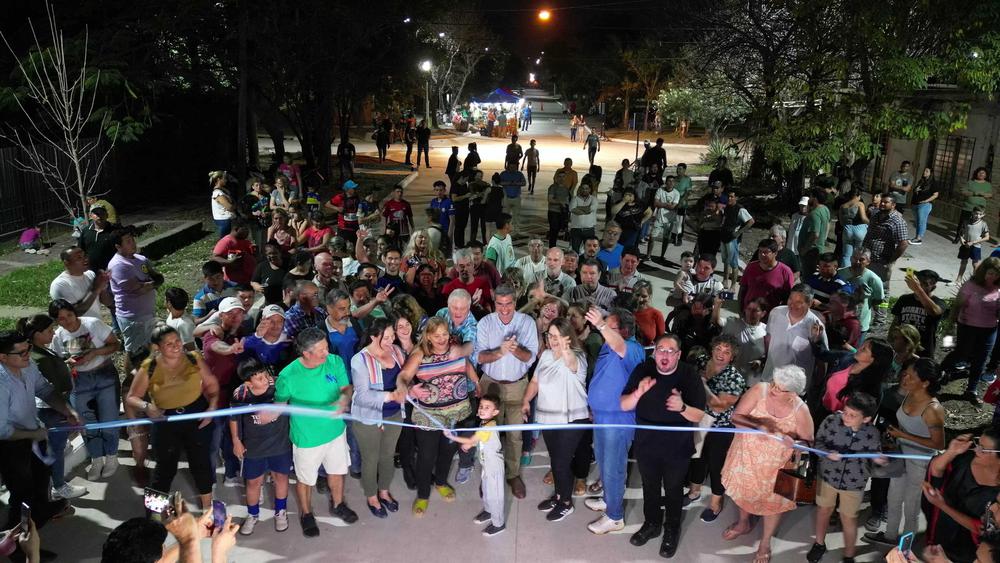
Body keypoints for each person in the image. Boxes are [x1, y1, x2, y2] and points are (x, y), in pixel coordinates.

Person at [620, 333, 707, 558]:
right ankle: (652, 523)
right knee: (649, 486)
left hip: (677, 447)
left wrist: (682, 407)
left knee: (673, 489)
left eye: (670, 351)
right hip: (646, 444)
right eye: (660, 350)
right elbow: (624, 404)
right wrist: (638, 392)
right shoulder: (643, 370)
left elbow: (699, 415)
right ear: (654, 352)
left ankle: (671, 529)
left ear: (678, 354)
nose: (664, 355)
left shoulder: (689, 375)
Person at [720, 366, 814, 563]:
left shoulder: (801, 410)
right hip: (746, 456)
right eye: (774, 384)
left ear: (793, 394)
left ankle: (765, 543)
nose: (773, 389)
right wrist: (758, 425)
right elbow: (735, 417)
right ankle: (743, 523)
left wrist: (796, 443)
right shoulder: (760, 390)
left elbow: (808, 445)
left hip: (777, 469)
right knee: (743, 492)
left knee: (773, 505)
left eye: (780, 389)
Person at [274, 327, 357, 537]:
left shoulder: (334, 361)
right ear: (306, 353)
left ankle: (338, 504)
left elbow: (346, 388)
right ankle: (306, 513)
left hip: (336, 431)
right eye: (321, 350)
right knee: (306, 479)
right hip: (307, 438)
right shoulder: (288, 376)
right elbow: (280, 405)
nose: (327, 353)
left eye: (326, 347)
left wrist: (344, 399)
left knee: (337, 471)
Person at [125, 325, 219, 509]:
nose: (176, 346)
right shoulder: (149, 366)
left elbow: (211, 384)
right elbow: (131, 397)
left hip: (196, 416)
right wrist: (147, 407)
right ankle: (154, 515)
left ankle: (208, 510)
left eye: (177, 341)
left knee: (201, 464)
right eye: (169, 344)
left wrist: (212, 408)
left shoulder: (193, 358)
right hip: (165, 419)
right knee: (164, 469)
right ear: (157, 348)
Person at [398, 317, 479, 515]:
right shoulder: (420, 353)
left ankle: (441, 482)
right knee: (426, 456)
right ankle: (423, 495)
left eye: (444, 334)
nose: (442, 339)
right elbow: (404, 376)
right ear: (428, 336)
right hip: (429, 416)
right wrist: (407, 388)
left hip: (455, 414)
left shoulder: (455, 348)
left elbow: (467, 365)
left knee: (447, 452)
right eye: (436, 336)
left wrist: (477, 382)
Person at [861, 357, 945, 549]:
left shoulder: (932, 409)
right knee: (894, 498)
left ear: (925, 383)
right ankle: (890, 536)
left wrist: (903, 435)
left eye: (911, 377)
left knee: (911, 506)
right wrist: (895, 436)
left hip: (920, 462)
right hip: (900, 455)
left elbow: (938, 443)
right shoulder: (909, 394)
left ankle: (905, 547)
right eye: (905, 374)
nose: (904, 379)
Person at [474, 284, 539, 499]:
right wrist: (500, 351)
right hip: (490, 384)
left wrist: (514, 348)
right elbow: (479, 357)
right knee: (488, 434)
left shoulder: (527, 322)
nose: (504, 309)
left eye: (508, 304)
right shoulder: (485, 323)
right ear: (494, 302)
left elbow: (530, 357)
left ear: (515, 302)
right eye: (500, 304)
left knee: (514, 435)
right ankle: (488, 474)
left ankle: (512, 475)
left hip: (517, 386)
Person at [521, 318, 589, 522]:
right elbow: (535, 381)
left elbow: (572, 364)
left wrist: (566, 349)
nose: (553, 340)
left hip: (571, 420)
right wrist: (526, 400)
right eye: (550, 335)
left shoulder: (578, 356)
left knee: (561, 462)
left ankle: (566, 504)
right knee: (556, 459)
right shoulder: (546, 356)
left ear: (568, 337)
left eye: (558, 336)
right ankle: (559, 495)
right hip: (548, 418)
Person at [15, 315, 87, 501]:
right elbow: (48, 388)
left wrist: (64, 364)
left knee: (56, 447)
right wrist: (67, 410)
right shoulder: (37, 359)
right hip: (51, 409)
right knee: (56, 450)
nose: (54, 333)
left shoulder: (40, 351)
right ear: (37, 334)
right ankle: (59, 487)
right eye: (49, 330)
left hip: (54, 406)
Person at [48, 299, 121, 480]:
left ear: (75, 313)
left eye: (69, 315)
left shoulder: (92, 324)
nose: (67, 321)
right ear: (56, 321)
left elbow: (115, 344)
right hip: (80, 382)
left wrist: (95, 352)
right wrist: (69, 362)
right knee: (86, 424)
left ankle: (112, 457)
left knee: (109, 420)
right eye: (61, 319)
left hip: (104, 376)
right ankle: (96, 459)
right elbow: (59, 360)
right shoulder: (59, 336)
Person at [808, 392, 883, 563]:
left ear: (866, 419)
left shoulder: (872, 433)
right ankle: (819, 544)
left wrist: (879, 460)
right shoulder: (831, 421)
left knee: (849, 518)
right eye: (845, 412)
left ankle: (849, 555)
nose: (846, 417)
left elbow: (874, 457)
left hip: (854, 483)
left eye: (852, 415)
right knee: (823, 511)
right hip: (827, 477)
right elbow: (817, 443)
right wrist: (827, 453)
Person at [684, 335, 748, 523]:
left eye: (727, 352)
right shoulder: (702, 362)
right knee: (697, 458)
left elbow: (719, 406)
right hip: (697, 420)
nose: (721, 354)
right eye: (718, 349)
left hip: (720, 427)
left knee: (716, 465)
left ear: (732, 357)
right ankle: (694, 492)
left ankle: (715, 503)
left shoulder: (735, 378)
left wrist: (701, 384)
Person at [229, 358, 292, 535]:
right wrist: (236, 441)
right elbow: (234, 418)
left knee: (281, 477)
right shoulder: (240, 394)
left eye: (265, 375)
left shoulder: (278, 386)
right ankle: (253, 514)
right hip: (253, 446)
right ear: (248, 383)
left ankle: (281, 512)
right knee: (253, 482)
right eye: (259, 378)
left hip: (280, 443)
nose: (265, 380)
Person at [350, 318, 405, 519]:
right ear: (373, 337)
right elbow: (362, 396)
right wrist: (390, 396)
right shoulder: (360, 360)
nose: (391, 341)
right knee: (371, 459)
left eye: (393, 336)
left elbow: (404, 377)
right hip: (368, 418)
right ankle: (372, 496)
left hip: (394, 414)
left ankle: (384, 491)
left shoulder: (396, 351)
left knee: (387, 455)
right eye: (386, 337)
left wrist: (408, 389)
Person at [922, 431, 1000, 563]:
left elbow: (982, 528)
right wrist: (951, 452)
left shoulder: (986, 552)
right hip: (942, 528)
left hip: (965, 548)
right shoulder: (966, 458)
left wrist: (942, 505)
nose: (976, 449)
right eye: (977, 443)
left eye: (983, 449)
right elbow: (936, 471)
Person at [444, 394, 507, 536]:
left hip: (494, 466)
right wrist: (470, 444)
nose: (482, 409)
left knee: (495, 495)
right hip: (486, 464)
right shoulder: (484, 423)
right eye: (481, 406)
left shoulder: (488, 427)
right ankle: (489, 511)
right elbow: (479, 440)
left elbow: (472, 439)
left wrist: (452, 437)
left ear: (495, 412)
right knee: (486, 490)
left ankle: (498, 524)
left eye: (487, 407)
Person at [948, 258, 1000, 404]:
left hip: (989, 329)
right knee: (961, 354)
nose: (993, 277)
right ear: (983, 272)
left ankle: (971, 389)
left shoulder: (998, 288)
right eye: (990, 273)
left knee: (981, 359)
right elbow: (957, 305)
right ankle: (944, 373)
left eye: (997, 275)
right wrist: (950, 325)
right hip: (967, 326)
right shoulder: (971, 285)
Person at [108, 227, 163, 356]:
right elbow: (138, 289)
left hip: (147, 312)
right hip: (132, 316)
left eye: (132, 239)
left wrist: (151, 283)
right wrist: (153, 283)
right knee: (133, 352)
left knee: (148, 346)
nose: (133, 243)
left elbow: (157, 277)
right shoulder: (118, 265)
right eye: (128, 241)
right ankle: (131, 370)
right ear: (118, 246)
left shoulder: (140, 259)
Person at [762, 284, 828, 385]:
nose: (792, 305)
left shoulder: (816, 326)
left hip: (794, 386)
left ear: (810, 303)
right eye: (790, 299)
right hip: (769, 378)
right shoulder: (776, 313)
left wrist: (817, 384)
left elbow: (822, 359)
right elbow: (768, 339)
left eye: (799, 302)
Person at [863, 192, 909, 298]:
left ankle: (882, 308)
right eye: (882, 202)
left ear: (893, 205)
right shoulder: (876, 215)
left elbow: (903, 244)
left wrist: (891, 261)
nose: (882, 204)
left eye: (886, 202)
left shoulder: (897, 221)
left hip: (882, 260)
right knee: (867, 284)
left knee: (881, 287)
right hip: (868, 257)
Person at [891, 269, 946, 358]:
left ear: (933, 287)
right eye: (919, 283)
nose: (920, 286)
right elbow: (895, 322)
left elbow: (934, 312)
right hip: (902, 348)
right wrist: (890, 341)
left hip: (923, 351)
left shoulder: (938, 302)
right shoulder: (904, 299)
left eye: (925, 284)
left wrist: (918, 290)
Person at [739, 239, 794, 316]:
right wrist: (741, 310)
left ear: (775, 253)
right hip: (749, 314)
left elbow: (787, 298)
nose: (762, 254)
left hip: (771, 316)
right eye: (760, 251)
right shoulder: (751, 267)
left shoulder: (786, 272)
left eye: (766, 252)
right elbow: (742, 290)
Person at [49, 246, 108, 320]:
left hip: (96, 324)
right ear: (66, 263)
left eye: (85, 256)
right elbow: (74, 313)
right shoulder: (60, 284)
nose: (85, 259)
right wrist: (96, 289)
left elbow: (107, 302)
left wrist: (103, 285)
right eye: (79, 257)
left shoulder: (90, 274)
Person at [838, 249, 885, 339]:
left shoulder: (874, 279)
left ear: (868, 262)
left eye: (861, 259)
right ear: (851, 258)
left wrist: (864, 301)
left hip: (860, 325)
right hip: (839, 322)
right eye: (855, 258)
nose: (857, 262)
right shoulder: (840, 273)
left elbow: (879, 299)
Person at [719, 190, 754, 289]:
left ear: (736, 198)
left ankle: (733, 285)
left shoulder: (740, 209)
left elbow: (751, 221)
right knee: (726, 261)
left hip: (732, 239)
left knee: (733, 263)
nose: (729, 199)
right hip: (724, 236)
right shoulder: (727, 207)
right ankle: (725, 281)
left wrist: (738, 233)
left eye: (732, 197)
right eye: (728, 196)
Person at [798, 188, 831, 277]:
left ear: (815, 198)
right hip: (817, 249)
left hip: (811, 252)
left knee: (809, 277)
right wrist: (824, 238)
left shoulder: (815, 214)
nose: (809, 199)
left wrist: (804, 250)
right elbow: (828, 224)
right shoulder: (825, 209)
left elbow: (815, 234)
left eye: (810, 196)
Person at [956, 206, 990, 284]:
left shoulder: (983, 224)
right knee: (963, 262)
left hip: (976, 246)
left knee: (975, 264)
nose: (977, 216)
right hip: (966, 245)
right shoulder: (966, 221)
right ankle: (958, 280)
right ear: (972, 213)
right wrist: (962, 239)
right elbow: (961, 232)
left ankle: (976, 282)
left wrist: (974, 242)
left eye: (980, 214)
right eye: (976, 213)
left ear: (983, 215)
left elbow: (987, 237)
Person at [838, 185, 870, 267]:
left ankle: (846, 271)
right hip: (860, 230)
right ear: (859, 195)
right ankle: (856, 270)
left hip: (847, 230)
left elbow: (841, 222)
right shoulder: (860, 204)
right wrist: (871, 223)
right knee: (858, 254)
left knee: (846, 255)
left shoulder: (842, 206)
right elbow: (863, 218)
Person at [910, 166, 938, 244]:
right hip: (916, 203)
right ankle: (916, 237)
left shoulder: (933, 183)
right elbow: (916, 190)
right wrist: (916, 190)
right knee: (917, 221)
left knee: (921, 221)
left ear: (931, 173)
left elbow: (935, 195)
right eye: (924, 171)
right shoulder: (921, 181)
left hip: (925, 205)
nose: (924, 172)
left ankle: (919, 239)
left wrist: (926, 201)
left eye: (926, 171)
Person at [569, 182, 598, 252]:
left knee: (589, 251)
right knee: (575, 251)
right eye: (583, 188)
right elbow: (572, 209)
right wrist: (587, 209)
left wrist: (578, 208)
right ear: (580, 189)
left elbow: (590, 210)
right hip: (576, 230)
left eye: (586, 188)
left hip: (589, 230)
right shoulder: (575, 199)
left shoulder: (594, 199)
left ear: (590, 189)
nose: (584, 190)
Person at [209, 170, 235, 238]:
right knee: (224, 240)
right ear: (218, 179)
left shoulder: (221, 191)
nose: (226, 180)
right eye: (224, 178)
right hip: (223, 220)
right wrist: (234, 206)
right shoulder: (218, 193)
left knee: (226, 240)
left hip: (224, 220)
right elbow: (229, 207)